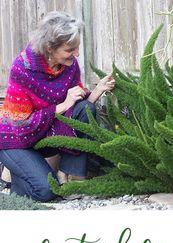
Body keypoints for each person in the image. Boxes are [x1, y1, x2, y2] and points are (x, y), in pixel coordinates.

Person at [0, 11, 115, 201]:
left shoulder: (69, 66)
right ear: (49, 48)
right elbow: (20, 126)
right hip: (16, 141)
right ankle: (14, 174)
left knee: (86, 109)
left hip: (45, 135)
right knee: (45, 191)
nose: (76, 54)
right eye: (70, 50)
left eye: (77, 48)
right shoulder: (23, 68)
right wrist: (61, 106)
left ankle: (68, 177)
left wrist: (96, 92)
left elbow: (78, 109)